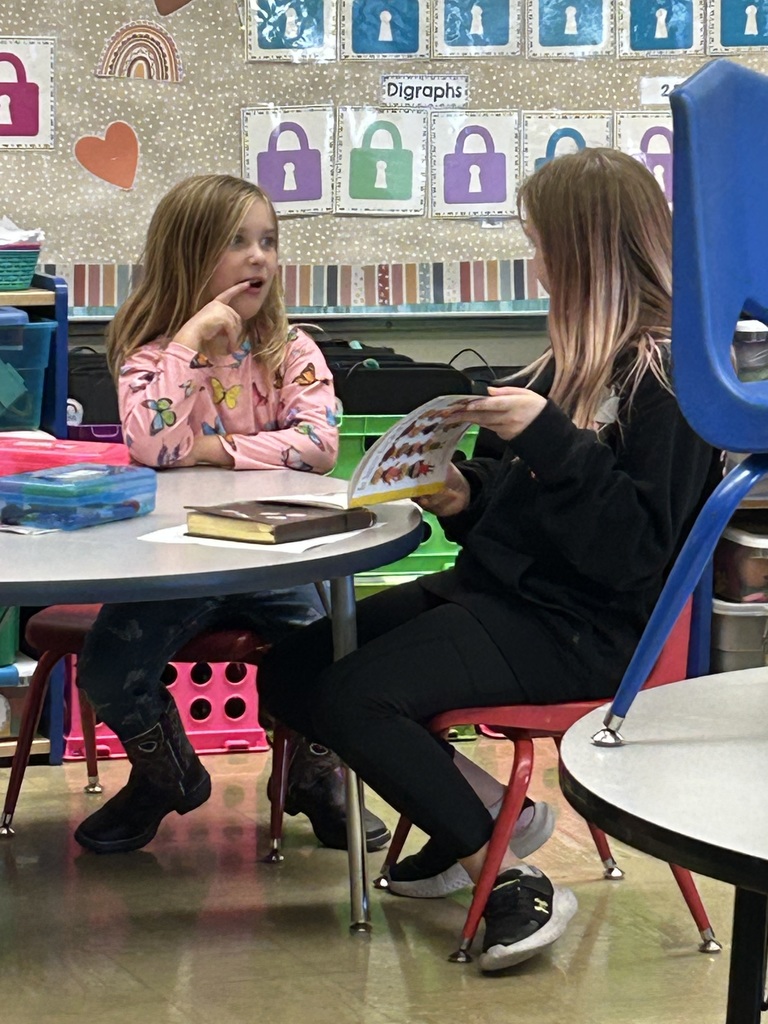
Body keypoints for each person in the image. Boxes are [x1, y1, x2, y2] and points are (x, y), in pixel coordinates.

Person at [257, 149, 722, 972]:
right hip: (506, 599)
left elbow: (633, 552)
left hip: (585, 630)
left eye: (542, 246)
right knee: (294, 668)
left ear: (585, 253)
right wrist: (464, 494)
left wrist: (550, 440)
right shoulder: (561, 365)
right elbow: (521, 513)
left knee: (357, 696)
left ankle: (508, 876)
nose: (536, 266)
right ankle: (489, 813)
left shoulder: (669, 378)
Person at [73, 174, 391, 856]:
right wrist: (192, 342)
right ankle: (166, 776)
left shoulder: (290, 351)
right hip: (174, 563)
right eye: (237, 242)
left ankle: (311, 779)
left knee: (328, 655)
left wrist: (211, 451)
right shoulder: (153, 357)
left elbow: (317, 446)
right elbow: (152, 444)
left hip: (274, 557)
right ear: (189, 255)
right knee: (105, 668)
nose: (258, 257)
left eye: (268, 242)